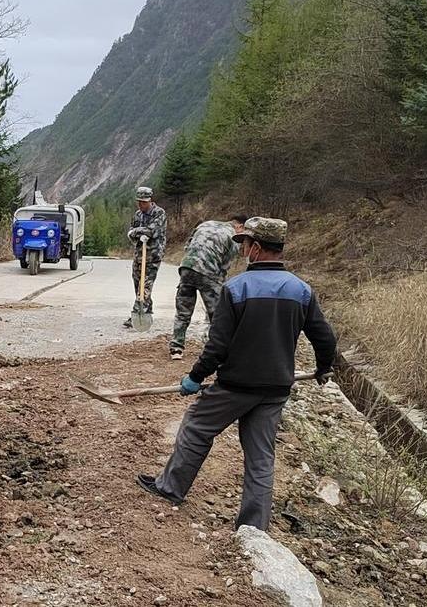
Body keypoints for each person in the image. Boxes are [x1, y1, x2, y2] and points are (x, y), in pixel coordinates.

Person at [136, 217, 338, 532]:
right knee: (260, 457)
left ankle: (170, 488)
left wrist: (194, 377)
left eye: (244, 244)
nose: (241, 249)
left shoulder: (236, 288)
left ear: (256, 248)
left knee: (196, 428)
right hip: (275, 389)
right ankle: (253, 526)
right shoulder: (301, 291)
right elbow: (325, 338)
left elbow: (217, 346)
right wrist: (324, 368)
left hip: (234, 386)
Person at [169, 215, 247, 360]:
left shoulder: (205, 224)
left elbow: (187, 246)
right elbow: (224, 266)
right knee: (217, 315)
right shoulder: (233, 236)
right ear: (240, 226)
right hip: (208, 274)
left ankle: (176, 348)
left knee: (183, 311)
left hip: (187, 267)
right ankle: (215, 349)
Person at [124, 186, 167, 328]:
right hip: (139, 255)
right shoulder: (138, 214)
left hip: (153, 255)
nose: (141, 205)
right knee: (137, 284)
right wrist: (135, 233)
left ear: (150, 200)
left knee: (145, 285)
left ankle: (137, 313)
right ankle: (147, 308)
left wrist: (137, 232)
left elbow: (151, 231)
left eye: (143, 202)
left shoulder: (159, 213)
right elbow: (131, 232)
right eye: (139, 202)